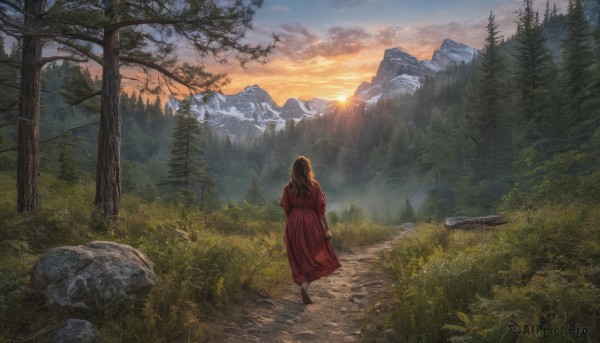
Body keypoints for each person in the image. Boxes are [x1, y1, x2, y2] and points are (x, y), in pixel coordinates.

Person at [280, 156, 341, 304]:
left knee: (300, 256)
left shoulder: (289, 188)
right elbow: (321, 210)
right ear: (307, 169)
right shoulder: (314, 186)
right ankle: (306, 285)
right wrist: (327, 228)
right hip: (311, 224)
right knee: (314, 254)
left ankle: (304, 283)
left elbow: (287, 211)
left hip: (294, 224)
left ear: (294, 170)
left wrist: (286, 231)